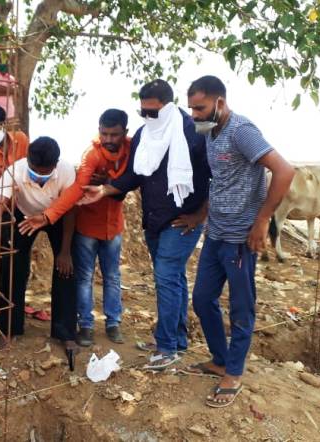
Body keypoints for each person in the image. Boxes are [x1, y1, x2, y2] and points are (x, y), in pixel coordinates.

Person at [79, 79, 211, 371]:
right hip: (155, 221)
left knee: (166, 277)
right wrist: (104, 190)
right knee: (173, 279)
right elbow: (134, 177)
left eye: (153, 112)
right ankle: (176, 339)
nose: (148, 118)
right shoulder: (143, 136)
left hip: (182, 221)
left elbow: (217, 177)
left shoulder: (193, 134)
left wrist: (199, 216)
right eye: (143, 112)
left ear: (168, 107)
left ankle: (166, 349)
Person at [184, 76, 294, 407]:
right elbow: (220, 182)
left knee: (241, 308)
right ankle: (220, 359)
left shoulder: (242, 131)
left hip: (240, 238)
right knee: (202, 300)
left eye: (200, 108)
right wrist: (200, 216)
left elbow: (284, 171)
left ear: (220, 103)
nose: (195, 115)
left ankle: (234, 371)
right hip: (215, 234)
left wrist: (262, 221)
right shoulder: (209, 133)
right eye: (191, 108)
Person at [18, 109, 131, 346]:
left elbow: (133, 179)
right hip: (73, 223)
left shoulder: (132, 151)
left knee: (103, 275)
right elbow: (76, 193)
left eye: (114, 134)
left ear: (125, 133)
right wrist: (47, 217)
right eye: (104, 134)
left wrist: (64, 250)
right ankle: (82, 327)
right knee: (80, 277)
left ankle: (93, 327)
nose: (108, 139)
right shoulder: (90, 157)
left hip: (106, 225)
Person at [0, 136, 77, 350]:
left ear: (55, 165)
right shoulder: (16, 170)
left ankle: (65, 333)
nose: (38, 176)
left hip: (57, 217)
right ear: (27, 160)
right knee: (12, 268)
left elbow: (70, 209)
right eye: (34, 169)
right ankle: (9, 329)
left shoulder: (66, 171)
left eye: (44, 172)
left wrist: (65, 250)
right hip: (25, 217)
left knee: (66, 270)